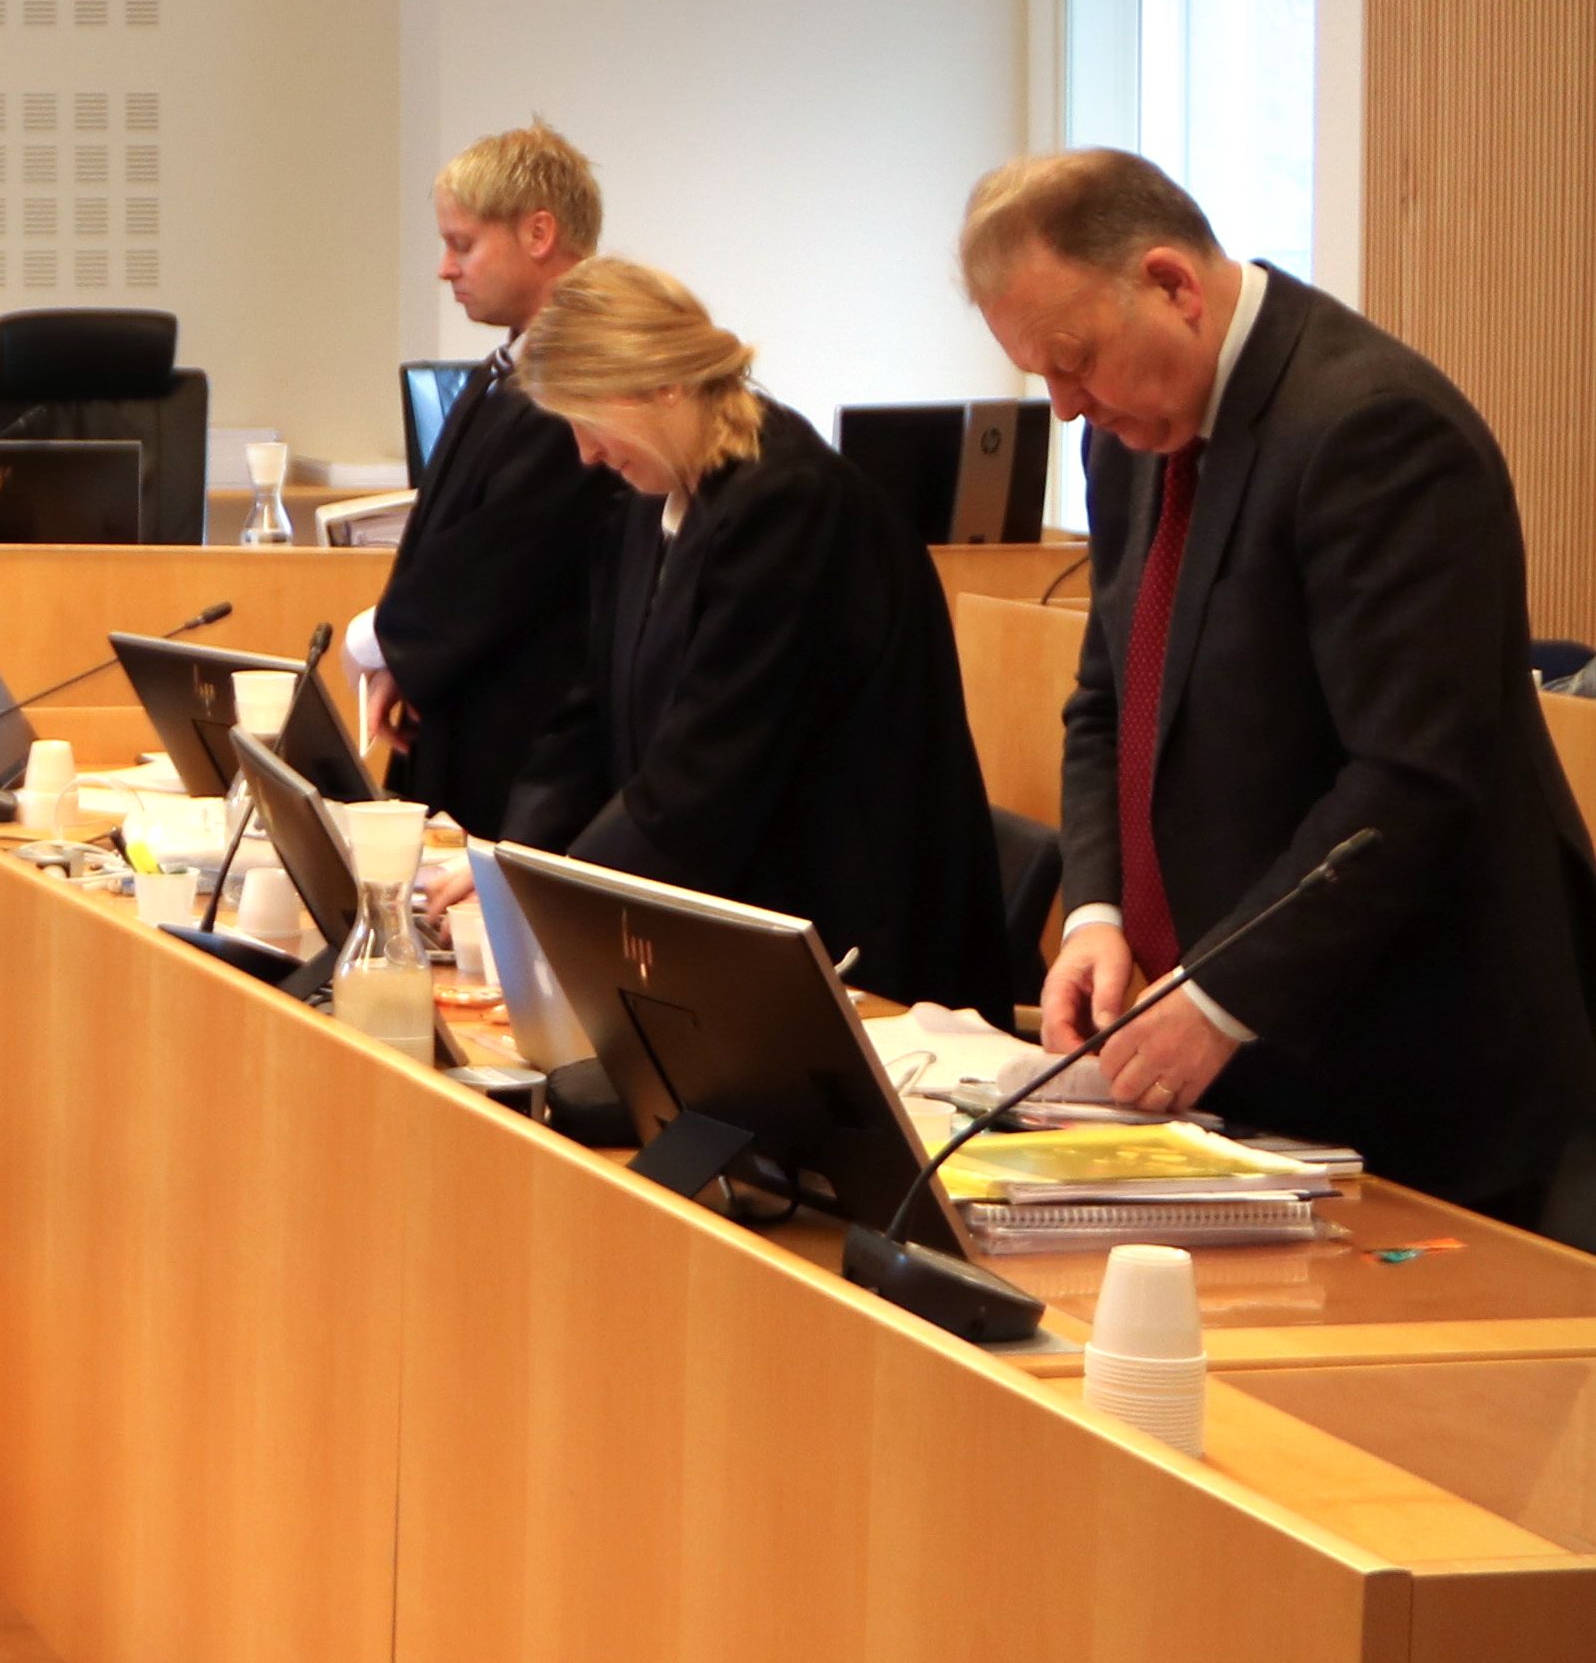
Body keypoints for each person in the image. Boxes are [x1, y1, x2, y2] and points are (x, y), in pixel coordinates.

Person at [960, 150, 1596, 1229]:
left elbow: (1409, 776)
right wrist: (1096, 915)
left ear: (1171, 283)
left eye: (1074, 362)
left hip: (1419, 1076)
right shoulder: (1131, 436)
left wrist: (1219, 995)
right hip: (1244, 1087)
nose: (1064, 408)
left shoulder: (1372, 427)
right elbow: (1109, 701)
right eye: (1042, 377)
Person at [514, 258, 1017, 1008]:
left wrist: (559, 907)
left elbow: (705, 769)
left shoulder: (789, 504)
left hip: (856, 950)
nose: (584, 452)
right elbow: (592, 712)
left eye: (586, 419)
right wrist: (518, 865)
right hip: (744, 918)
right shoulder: (649, 502)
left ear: (663, 385)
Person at [350, 123, 620, 845]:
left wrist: (380, 642)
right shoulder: (502, 370)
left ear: (538, 233)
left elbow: (499, 556)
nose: (445, 269)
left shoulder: (582, 386)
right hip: (464, 719)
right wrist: (403, 659)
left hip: (528, 748)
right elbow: (437, 536)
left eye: (462, 244)